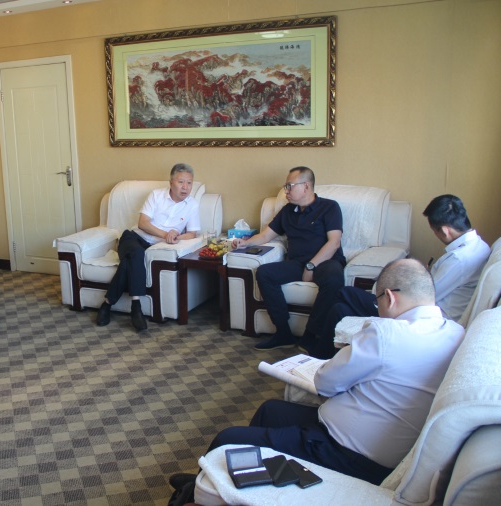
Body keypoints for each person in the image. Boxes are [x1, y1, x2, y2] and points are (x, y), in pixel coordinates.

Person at [169, 259, 464, 496]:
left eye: (378, 303)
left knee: (227, 438)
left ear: (389, 297)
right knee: (270, 410)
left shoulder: (387, 334)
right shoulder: (454, 332)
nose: (378, 311)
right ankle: (226, 484)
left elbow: (326, 382)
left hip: (342, 451)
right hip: (372, 442)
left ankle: (194, 493)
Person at [308, 194, 490, 359]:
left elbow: (424, 295)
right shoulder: (477, 246)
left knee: (344, 292)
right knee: (339, 309)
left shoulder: (458, 259)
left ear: (444, 230)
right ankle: (319, 355)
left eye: (434, 231)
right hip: (422, 308)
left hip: (420, 316)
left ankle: (313, 346)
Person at [233, 166, 346, 350]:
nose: (286, 191)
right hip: (297, 263)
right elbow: (265, 235)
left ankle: (311, 335)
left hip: (326, 261)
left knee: (334, 279)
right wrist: (244, 243)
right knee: (264, 273)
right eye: (286, 186)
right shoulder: (287, 211)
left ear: (306, 186)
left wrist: (311, 266)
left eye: (289, 186)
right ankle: (283, 333)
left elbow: (334, 242)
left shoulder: (329, 207)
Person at [96, 163, 200, 332]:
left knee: (129, 262)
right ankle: (136, 306)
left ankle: (107, 304)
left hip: (152, 247)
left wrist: (176, 237)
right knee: (137, 253)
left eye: (189, 183)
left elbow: (192, 233)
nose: (185, 187)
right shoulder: (156, 195)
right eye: (181, 182)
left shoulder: (192, 204)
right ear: (171, 182)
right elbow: (143, 223)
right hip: (133, 238)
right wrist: (165, 234)